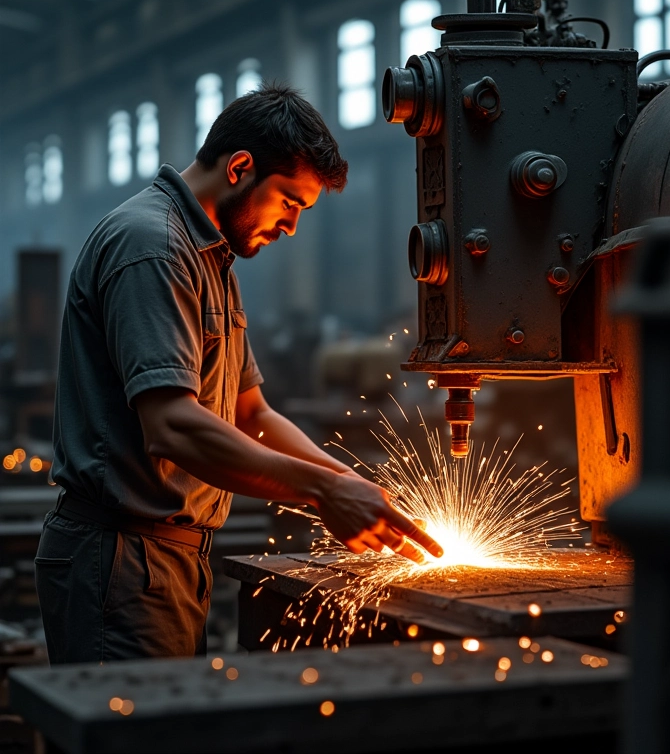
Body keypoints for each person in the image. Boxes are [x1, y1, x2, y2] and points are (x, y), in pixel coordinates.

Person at [35, 82, 443, 665]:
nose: (291, 227)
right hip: (119, 559)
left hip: (162, 557)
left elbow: (252, 415)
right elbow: (172, 425)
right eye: (290, 202)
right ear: (241, 168)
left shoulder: (210, 255)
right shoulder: (153, 246)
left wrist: (357, 490)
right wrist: (325, 492)